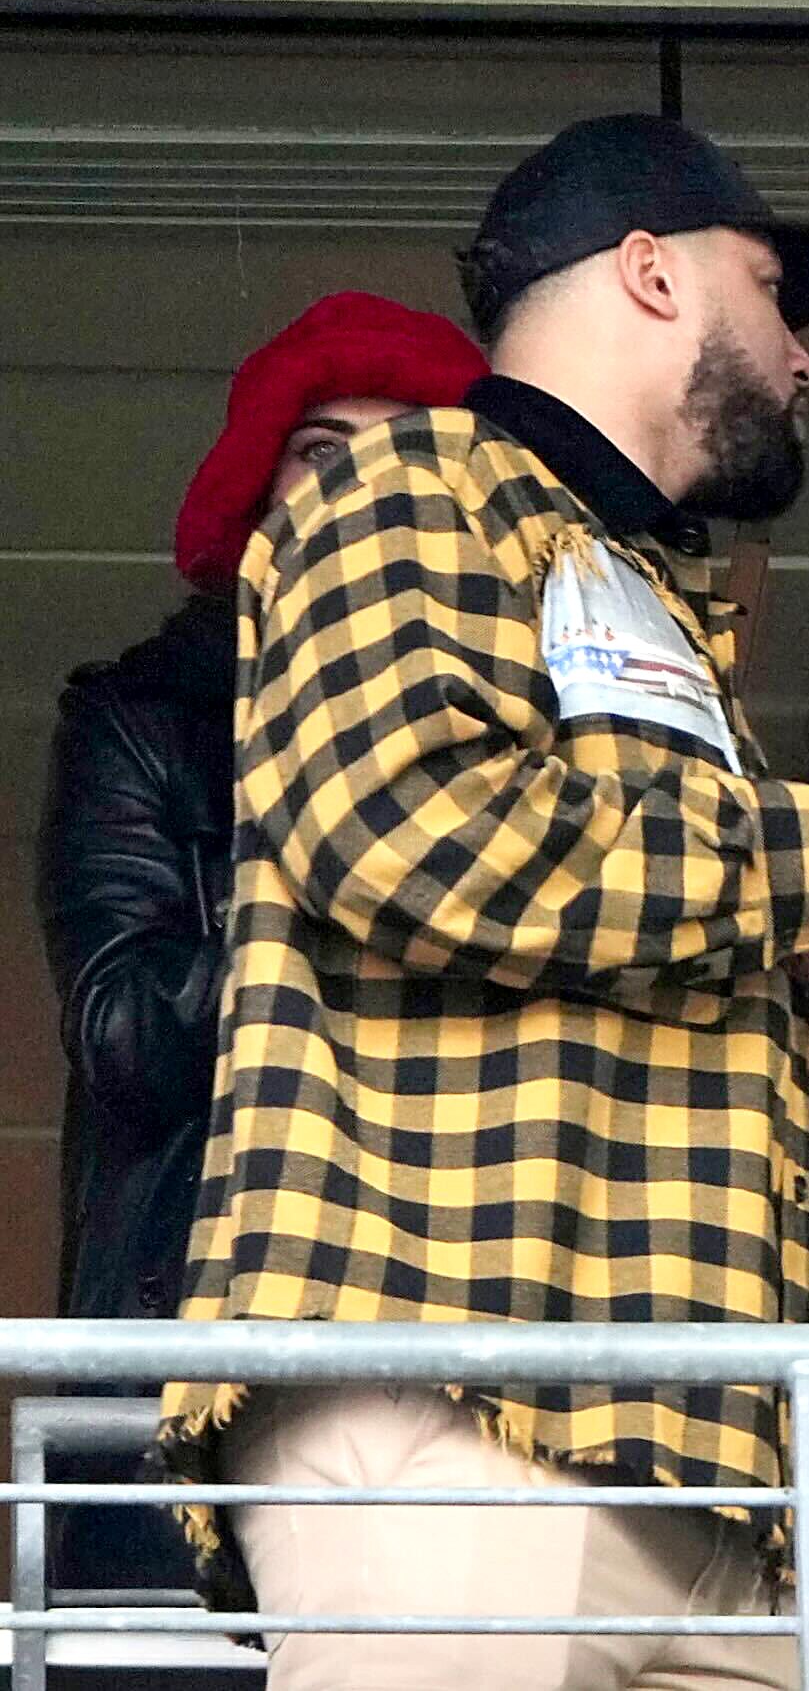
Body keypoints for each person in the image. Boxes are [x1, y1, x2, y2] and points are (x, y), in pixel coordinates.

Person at [155, 114, 809, 1691]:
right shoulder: (404, 486)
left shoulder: (647, 588)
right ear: (653, 273)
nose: (802, 358)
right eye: (773, 289)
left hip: (704, 1455)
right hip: (456, 1390)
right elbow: (396, 834)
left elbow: (610, 931)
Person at [37, 291, 485, 1593]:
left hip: (465, 1357)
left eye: (414, 462)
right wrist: (337, 839)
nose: (364, 496)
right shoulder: (146, 717)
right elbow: (126, 1036)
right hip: (195, 1357)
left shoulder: (539, 737)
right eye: (324, 453)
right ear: (258, 494)